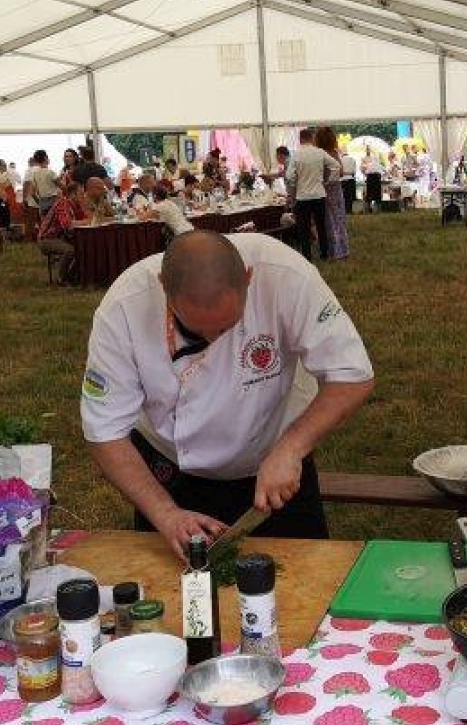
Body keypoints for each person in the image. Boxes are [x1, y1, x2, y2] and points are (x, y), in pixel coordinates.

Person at [80, 230, 374, 558]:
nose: (211, 337)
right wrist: (166, 514)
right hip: (171, 473)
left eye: (226, 327)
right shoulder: (124, 306)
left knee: (305, 580)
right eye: (195, 327)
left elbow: (352, 375)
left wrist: (292, 448)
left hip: (274, 467)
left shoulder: (286, 275)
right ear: (164, 286)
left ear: (249, 278)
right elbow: (104, 431)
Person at [287, 128, 331, 261]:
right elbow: (335, 166)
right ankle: (324, 254)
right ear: (311, 138)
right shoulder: (320, 152)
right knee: (321, 225)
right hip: (319, 194)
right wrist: (327, 181)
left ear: (300, 139)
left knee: (304, 228)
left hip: (303, 197)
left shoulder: (296, 155)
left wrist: (295, 183)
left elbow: (289, 176)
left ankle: (307, 256)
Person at [38, 180, 88, 285]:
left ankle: (75, 276)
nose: (83, 196)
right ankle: (62, 279)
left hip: (61, 237)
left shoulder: (74, 205)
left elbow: (84, 219)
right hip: (47, 239)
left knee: (85, 247)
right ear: (73, 194)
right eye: (81, 194)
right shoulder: (62, 203)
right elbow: (67, 225)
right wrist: (86, 221)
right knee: (70, 250)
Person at [314, 127, 350, 259]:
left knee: (328, 221)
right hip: (336, 189)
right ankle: (343, 249)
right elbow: (341, 171)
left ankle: (333, 250)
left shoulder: (320, 154)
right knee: (339, 220)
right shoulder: (334, 153)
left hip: (325, 190)